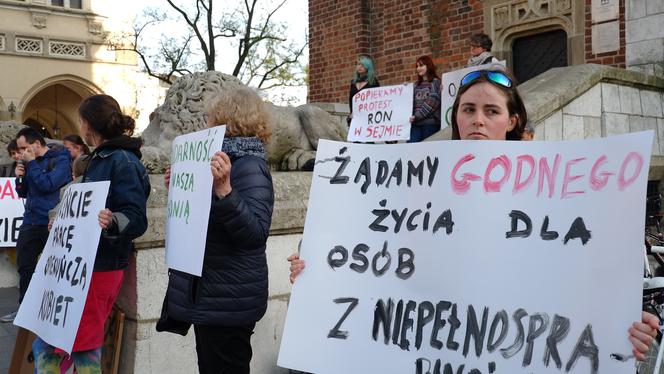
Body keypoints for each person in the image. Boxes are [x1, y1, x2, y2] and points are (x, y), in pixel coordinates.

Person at [288, 68, 660, 361]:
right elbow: (377, 259)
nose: (478, 119)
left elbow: (584, 278)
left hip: (513, 352)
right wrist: (318, 269)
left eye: (491, 110)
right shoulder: (412, 186)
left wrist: (623, 323)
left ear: (512, 121)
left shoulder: (559, 193)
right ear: (456, 118)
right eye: (469, 109)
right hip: (431, 350)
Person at [31, 94, 151, 372]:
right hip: (84, 266)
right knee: (52, 342)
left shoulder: (121, 161)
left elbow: (136, 218)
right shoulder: (101, 158)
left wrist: (111, 221)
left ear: (88, 124)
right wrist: (62, 223)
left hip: (98, 268)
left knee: (82, 347)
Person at [160, 86, 275, 374]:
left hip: (229, 299)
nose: (206, 123)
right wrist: (179, 188)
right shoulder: (215, 163)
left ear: (228, 120)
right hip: (212, 294)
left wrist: (225, 190)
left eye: (210, 117)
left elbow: (254, 234)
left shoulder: (250, 167)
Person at [0, 128, 71, 324]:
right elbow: (23, 193)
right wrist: (20, 178)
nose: (21, 152)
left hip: (51, 222)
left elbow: (48, 185)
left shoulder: (61, 159)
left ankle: (53, 312)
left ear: (36, 144)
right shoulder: (29, 163)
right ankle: (25, 309)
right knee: (25, 267)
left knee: (55, 269)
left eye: (24, 148)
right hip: (30, 221)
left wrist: (31, 165)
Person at [409, 55, 442, 143]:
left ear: (428, 66)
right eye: (417, 66)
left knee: (428, 150)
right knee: (410, 148)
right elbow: (408, 103)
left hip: (430, 124)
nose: (418, 68)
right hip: (415, 124)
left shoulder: (435, 83)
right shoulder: (415, 85)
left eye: (421, 65)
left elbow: (432, 103)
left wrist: (416, 116)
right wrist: (404, 90)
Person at [347, 55, 380, 126]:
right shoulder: (353, 82)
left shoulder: (373, 82)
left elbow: (377, 99)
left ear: (368, 67)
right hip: (355, 117)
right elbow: (351, 99)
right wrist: (351, 112)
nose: (360, 67)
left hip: (368, 117)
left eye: (363, 65)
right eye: (358, 64)